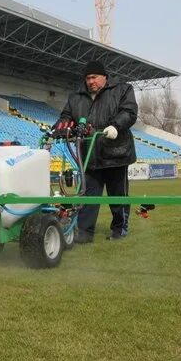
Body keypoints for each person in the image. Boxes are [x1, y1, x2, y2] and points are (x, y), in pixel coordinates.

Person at [55, 60, 138, 243]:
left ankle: (119, 228)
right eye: (87, 78)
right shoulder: (76, 96)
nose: (90, 81)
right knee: (88, 196)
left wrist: (116, 126)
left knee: (118, 196)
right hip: (90, 154)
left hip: (116, 152)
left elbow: (129, 111)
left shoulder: (122, 90)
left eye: (94, 77)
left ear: (104, 77)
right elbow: (66, 117)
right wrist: (59, 129)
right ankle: (85, 233)